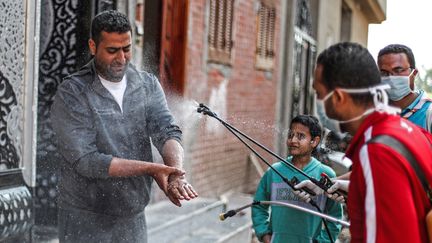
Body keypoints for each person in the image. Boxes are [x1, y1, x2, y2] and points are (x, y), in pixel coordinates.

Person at [51, 10, 198, 242]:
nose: (121, 59)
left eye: (126, 49)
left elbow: (167, 130)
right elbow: (88, 161)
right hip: (85, 218)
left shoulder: (147, 85)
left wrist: (176, 173)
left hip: (133, 218)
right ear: (92, 46)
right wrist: (152, 168)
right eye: (112, 51)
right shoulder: (73, 92)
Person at [299, 42, 432, 242]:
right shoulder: (402, 129)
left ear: (338, 97)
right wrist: (348, 187)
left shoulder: (377, 151)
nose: (318, 102)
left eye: (319, 93)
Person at [252, 115, 342, 243]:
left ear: (314, 141)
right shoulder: (274, 171)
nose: (293, 140)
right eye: (290, 135)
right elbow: (258, 206)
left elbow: (335, 216)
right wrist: (265, 235)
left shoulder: (325, 174)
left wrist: (323, 241)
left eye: (300, 136)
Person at [378, 44, 432, 132]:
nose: (391, 78)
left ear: (414, 73)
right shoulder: (377, 112)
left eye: (398, 70)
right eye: (384, 73)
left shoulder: (428, 113)